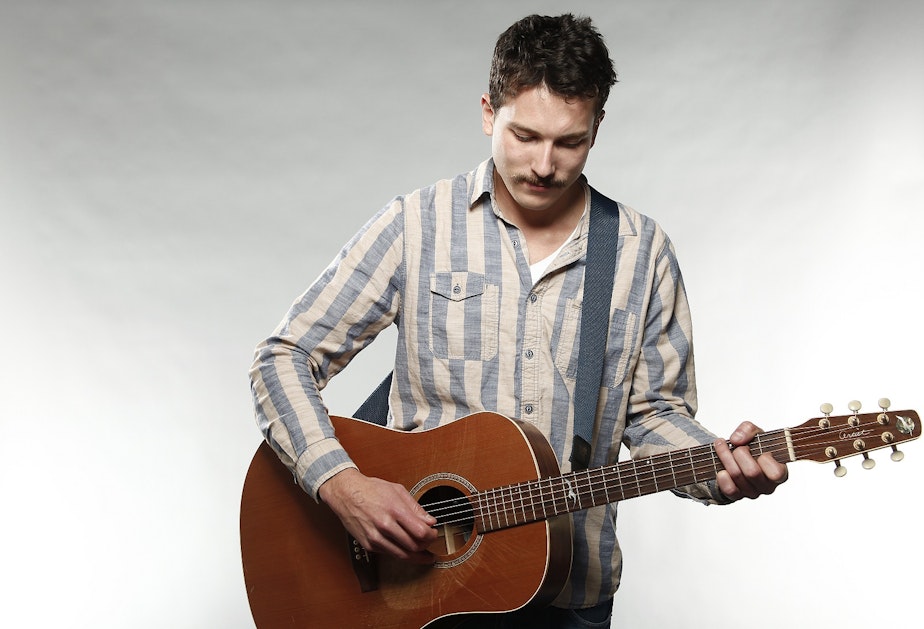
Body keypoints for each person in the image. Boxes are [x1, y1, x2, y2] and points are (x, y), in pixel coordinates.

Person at [249, 13, 788, 629]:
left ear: (597, 126)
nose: (544, 165)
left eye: (569, 142)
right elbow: (283, 356)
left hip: (568, 596)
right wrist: (341, 484)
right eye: (524, 135)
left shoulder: (641, 251)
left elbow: (654, 415)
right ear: (488, 113)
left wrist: (718, 469)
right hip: (418, 586)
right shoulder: (418, 225)